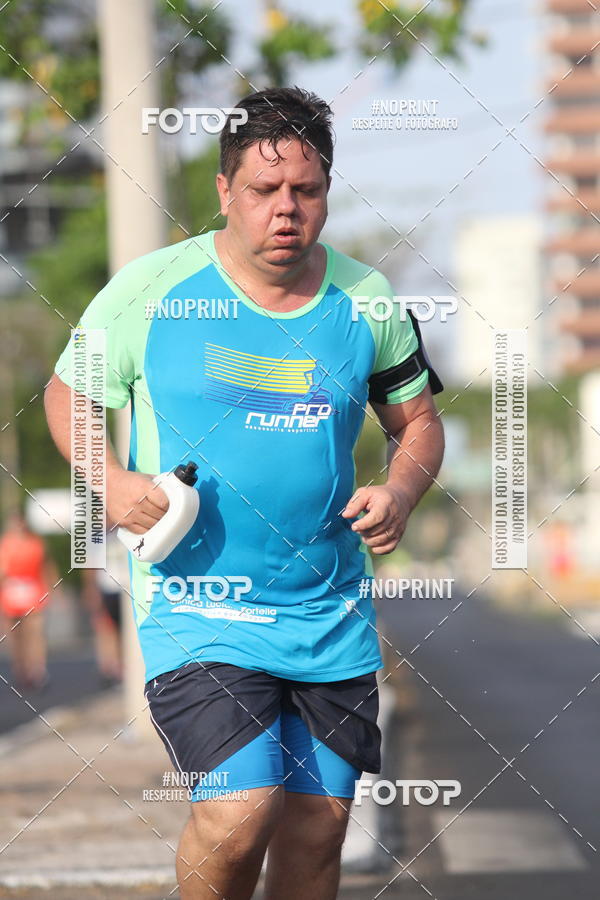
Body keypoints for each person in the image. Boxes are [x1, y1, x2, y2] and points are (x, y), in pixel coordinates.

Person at [44, 86, 445, 900]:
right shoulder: (152, 289)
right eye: (264, 191)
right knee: (239, 812)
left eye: (307, 189)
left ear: (327, 190)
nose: (286, 210)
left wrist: (401, 490)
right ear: (226, 191)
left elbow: (419, 423)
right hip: (200, 605)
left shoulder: (366, 300)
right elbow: (68, 393)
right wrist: (109, 477)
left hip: (329, 611)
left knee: (319, 829)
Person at [0, 511, 56, 690]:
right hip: (11, 594)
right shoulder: (5, 545)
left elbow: (46, 565)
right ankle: (21, 669)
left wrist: (52, 587)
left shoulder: (36, 543)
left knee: (36, 633)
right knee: (16, 637)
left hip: (33, 592)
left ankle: (38, 671)